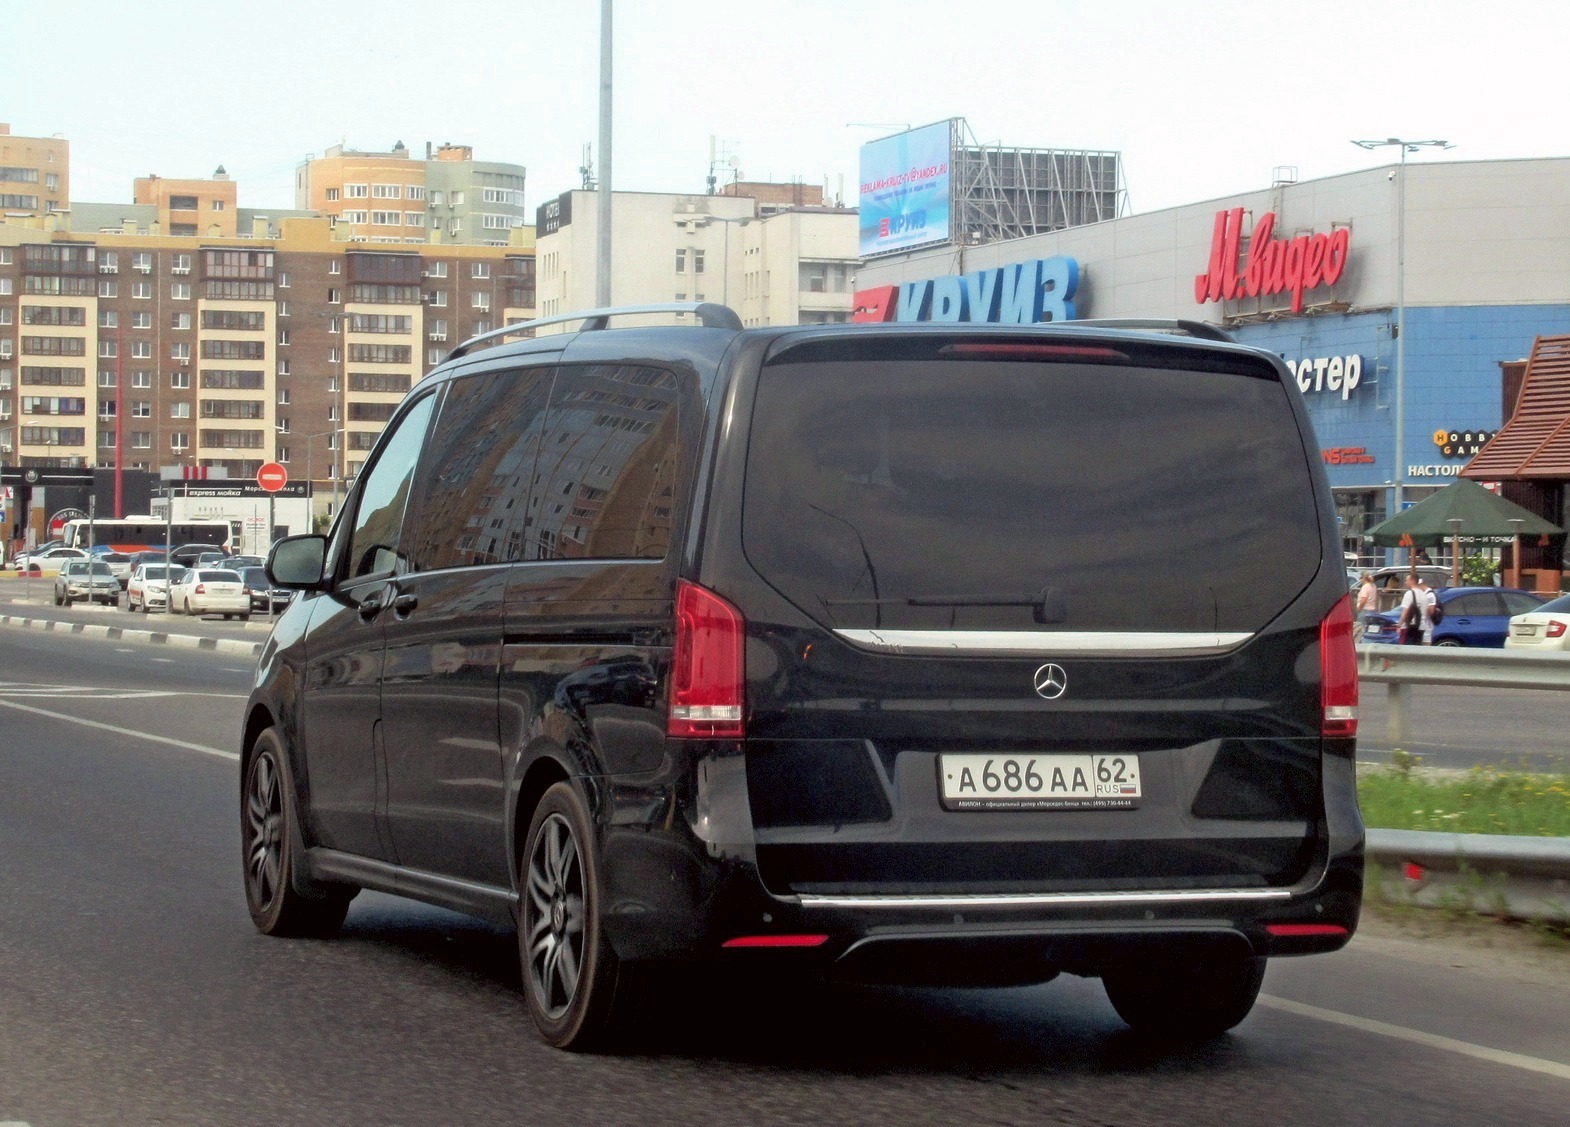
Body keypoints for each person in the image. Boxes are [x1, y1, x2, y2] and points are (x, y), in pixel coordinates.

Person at [1397, 574, 1434, 645]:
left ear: (1412, 581)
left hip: (1410, 626)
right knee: (1416, 648)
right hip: (1421, 626)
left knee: (1407, 649)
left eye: (1406, 580)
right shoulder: (1424, 594)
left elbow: (1405, 611)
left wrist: (1399, 625)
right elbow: (1426, 613)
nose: (1405, 582)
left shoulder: (1409, 593)